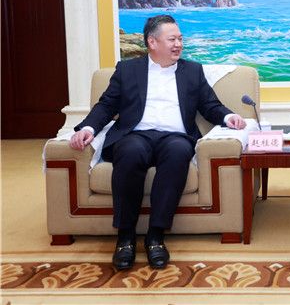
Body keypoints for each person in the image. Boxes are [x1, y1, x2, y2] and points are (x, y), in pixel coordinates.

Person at [69, 15, 247, 271]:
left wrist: (229, 117)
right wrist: (88, 128)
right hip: (136, 135)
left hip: (175, 136)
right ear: (152, 42)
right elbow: (107, 105)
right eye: (172, 39)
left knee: (178, 152)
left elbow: (210, 105)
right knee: (130, 152)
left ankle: (155, 236)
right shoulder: (127, 70)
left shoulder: (192, 71)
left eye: (180, 39)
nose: (179, 44)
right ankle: (125, 237)